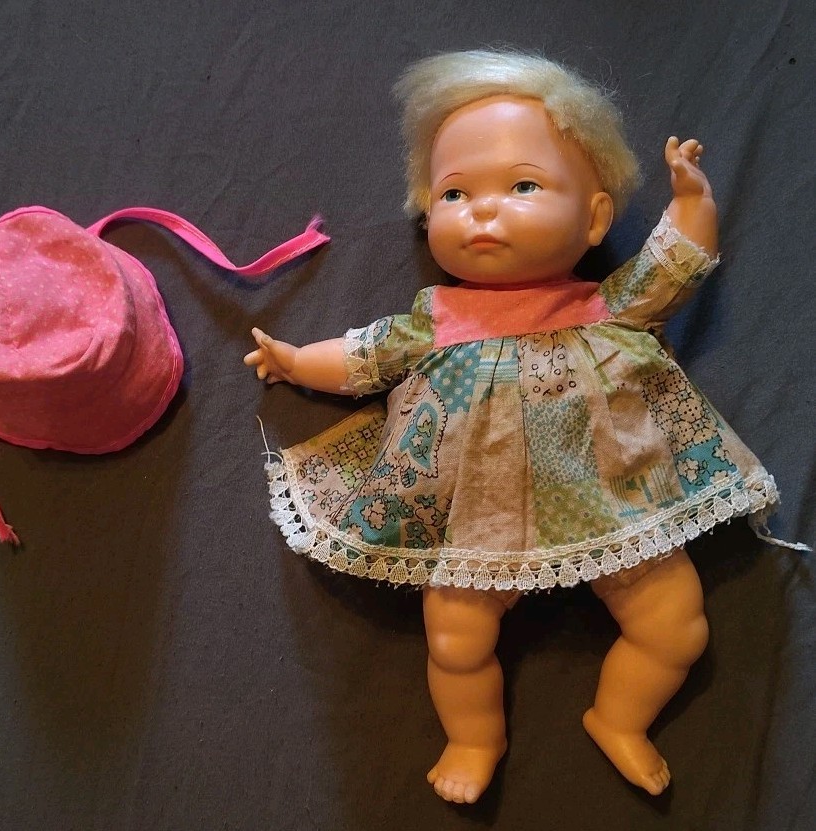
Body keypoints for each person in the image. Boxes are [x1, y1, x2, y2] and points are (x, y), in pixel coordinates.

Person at [245, 49, 780, 804]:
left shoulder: (609, 305)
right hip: (474, 522)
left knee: (676, 628)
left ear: (594, 218)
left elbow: (675, 265)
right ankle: (474, 737)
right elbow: (365, 355)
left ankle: (619, 717)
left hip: (614, 507)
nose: (483, 209)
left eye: (523, 185)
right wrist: (297, 359)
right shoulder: (436, 320)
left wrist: (692, 200)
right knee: (454, 640)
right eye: (455, 192)